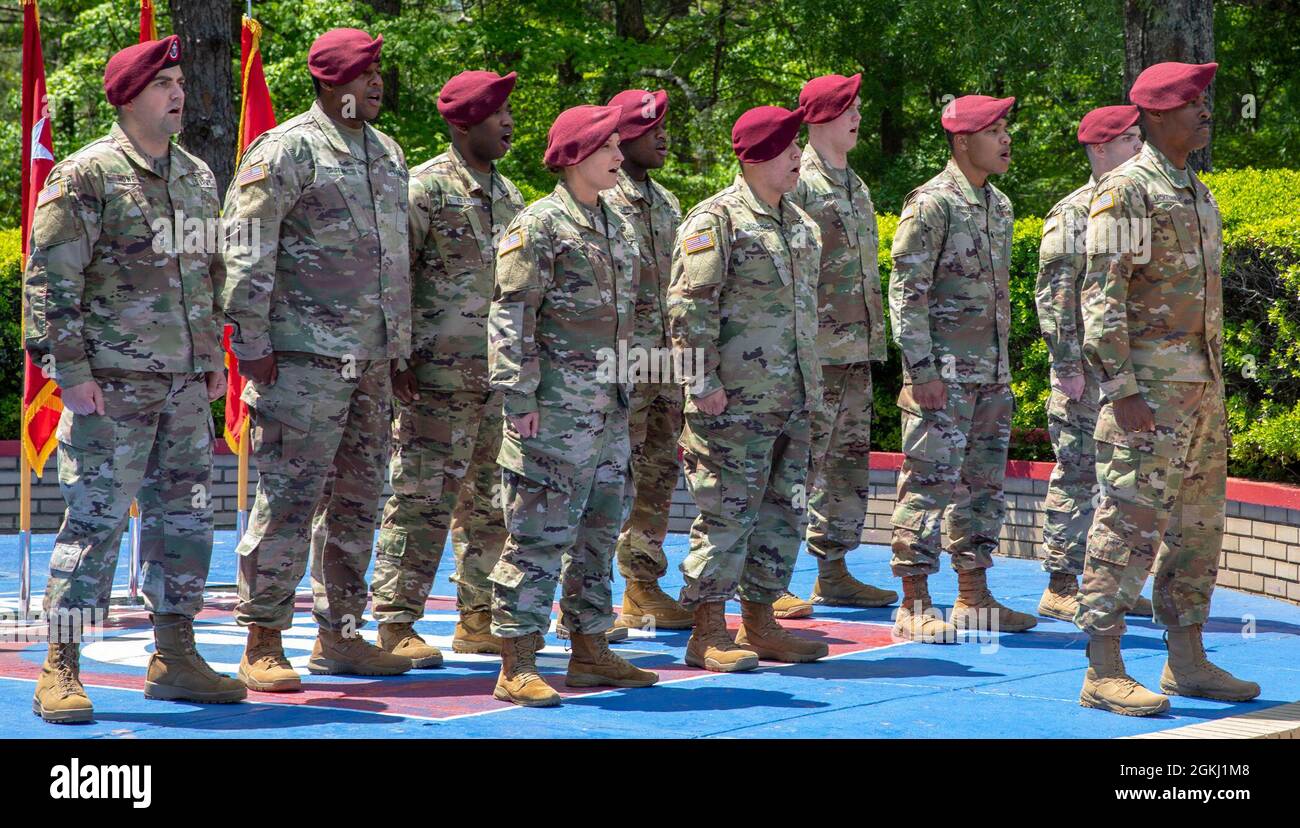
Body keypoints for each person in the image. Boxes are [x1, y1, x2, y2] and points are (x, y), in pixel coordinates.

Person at [25, 36, 243, 722]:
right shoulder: (86, 176)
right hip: (110, 386)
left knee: (186, 521)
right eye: (164, 84)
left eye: (180, 80)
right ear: (128, 97)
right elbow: (50, 284)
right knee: (93, 524)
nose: (179, 93)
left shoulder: (197, 176)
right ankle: (60, 664)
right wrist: (72, 374)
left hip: (182, 386)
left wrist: (211, 358)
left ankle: (174, 654)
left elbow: (208, 274)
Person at [222, 28, 413, 690]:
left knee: (360, 500)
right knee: (289, 498)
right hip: (300, 360)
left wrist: (401, 348)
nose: (377, 82)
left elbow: (396, 262)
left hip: (372, 361)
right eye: (366, 73)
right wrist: (251, 342)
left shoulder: (387, 155)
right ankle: (263, 638)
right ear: (333, 83)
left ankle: (343, 637)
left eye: (379, 71)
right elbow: (246, 247)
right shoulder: (286, 149)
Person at [1075, 61, 1260, 715]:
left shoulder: (1196, 191)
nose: (1205, 110)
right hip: (1147, 395)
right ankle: (1103, 669)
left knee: (1196, 531)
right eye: (1191, 101)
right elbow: (1101, 294)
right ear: (1155, 115)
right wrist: (1121, 388)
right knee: (1127, 528)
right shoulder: (1128, 190)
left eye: (1207, 100)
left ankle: (1187, 662)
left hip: (1200, 392)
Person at [487, 104, 658, 706]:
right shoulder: (537, 225)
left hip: (608, 410)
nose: (620, 155)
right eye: (610, 146)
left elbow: (638, 316)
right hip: (553, 412)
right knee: (536, 534)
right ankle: (517, 659)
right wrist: (519, 395)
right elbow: (511, 315)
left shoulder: (620, 223)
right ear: (578, 154)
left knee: (597, 532)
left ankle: (589, 649)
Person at [668, 105, 829, 672]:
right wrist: (701, 382)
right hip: (731, 402)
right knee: (726, 513)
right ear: (757, 154)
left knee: (783, 513)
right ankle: (707, 630)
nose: (797, 158)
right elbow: (689, 310)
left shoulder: (802, 225)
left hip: (794, 399)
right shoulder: (716, 221)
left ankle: (760, 623)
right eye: (788, 149)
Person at [371, 70, 524, 661]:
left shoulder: (510, 197)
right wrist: (399, 358)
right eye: (496, 114)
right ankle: (396, 621)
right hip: (434, 379)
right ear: (463, 123)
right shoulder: (423, 190)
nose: (508, 122)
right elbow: (394, 278)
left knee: (489, 504)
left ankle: (477, 615)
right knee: (420, 501)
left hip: (496, 382)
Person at [888, 94, 1037, 643]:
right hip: (942, 378)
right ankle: (915, 601)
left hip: (990, 375)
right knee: (928, 485)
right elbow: (906, 293)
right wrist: (922, 370)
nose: (1006, 139)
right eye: (995, 130)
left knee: (982, 488)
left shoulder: (998, 205)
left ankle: (973, 597)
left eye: (1006, 129)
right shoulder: (932, 203)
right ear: (962, 140)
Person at [1034, 104, 1150, 622]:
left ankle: (1111, 583)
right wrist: (1066, 366)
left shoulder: (1135, 207)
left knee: (1121, 481)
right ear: (1101, 149)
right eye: (1129, 140)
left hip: (1124, 371)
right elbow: (1056, 294)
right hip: (1084, 371)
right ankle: (1061, 582)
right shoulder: (1074, 211)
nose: (1140, 148)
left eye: (1140, 138)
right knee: (1079, 473)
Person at [789, 72, 898, 617]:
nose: (858, 117)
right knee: (796, 465)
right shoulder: (799, 182)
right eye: (848, 108)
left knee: (847, 466)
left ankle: (832, 572)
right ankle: (772, 578)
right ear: (821, 118)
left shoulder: (855, 184)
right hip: (814, 355)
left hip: (855, 351)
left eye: (858, 107)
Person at [600, 88, 693, 633]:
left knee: (658, 474)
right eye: (650, 127)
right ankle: (584, 601)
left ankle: (640, 588)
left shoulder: (666, 203)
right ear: (621, 137)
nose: (662, 137)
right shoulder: (600, 197)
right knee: (608, 478)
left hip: (665, 366)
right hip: (619, 367)